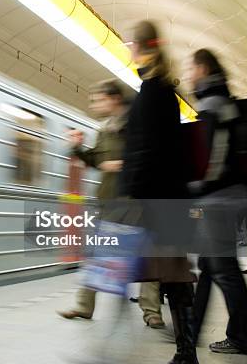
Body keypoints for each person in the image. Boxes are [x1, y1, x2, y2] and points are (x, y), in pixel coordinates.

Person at [56, 81, 165, 329]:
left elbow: (149, 158)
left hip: (136, 202)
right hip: (108, 202)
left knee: (147, 257)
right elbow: (97, 160)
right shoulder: (104, 129)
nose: (95, 105)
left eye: (99, 99)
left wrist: (122, 165)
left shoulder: (137, 126)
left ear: (114, 99)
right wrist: (77, 148)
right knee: (95, 254)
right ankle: (84, 306)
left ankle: (151, 311)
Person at [120, 21, 198, 364]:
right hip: (168, 198)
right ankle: (185, 349)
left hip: (160, 200)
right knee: (171, 275)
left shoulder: (153, 91)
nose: (129, 50)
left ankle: (186, 352)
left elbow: (146, 150)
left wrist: (133, 195)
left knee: (173, 276)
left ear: (141, 47)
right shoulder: (159, 89)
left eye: (130, 44)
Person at [187, 48, 247, 356]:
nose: (189, 73)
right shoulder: (227, 102)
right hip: (234, 197)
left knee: (223, 270)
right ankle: (189, 336)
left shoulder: (212, 104)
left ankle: (246, 338)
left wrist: (194, 188)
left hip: (219, 200)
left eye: (191, 68)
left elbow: (212, 162)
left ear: (203, 68)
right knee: (210, 266)